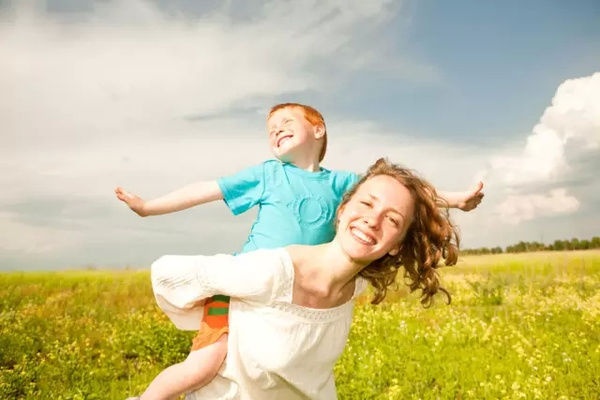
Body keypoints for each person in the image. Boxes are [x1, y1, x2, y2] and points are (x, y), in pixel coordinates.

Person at [117, 103, 483, 399]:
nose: (275, 130)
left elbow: (405, 196)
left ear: (318, 129)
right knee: (203, 366)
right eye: (270, 129)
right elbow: (207, 189)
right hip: (239, 287)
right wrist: (150, 207)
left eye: (286, 122)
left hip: (298, 297)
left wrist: (456, 200)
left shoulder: (342, 183)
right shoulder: (269, 174)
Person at [151, 158, 460, 400]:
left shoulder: (356, 285)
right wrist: (222, 308)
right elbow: (169, 274)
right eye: (366, 203)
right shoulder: (271, 270)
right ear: (341, 211)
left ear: (396, 246)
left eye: (392, 219)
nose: (373, 219)